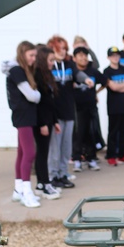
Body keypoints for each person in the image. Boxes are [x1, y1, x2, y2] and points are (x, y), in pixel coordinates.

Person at [5, 41, 42, 208]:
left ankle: (18, 189)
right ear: (22, 54)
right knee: (29, 153)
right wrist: (38, 94)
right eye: (31, 55)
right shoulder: (17, 71)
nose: (34, 59)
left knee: (21, 152)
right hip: (23, 116)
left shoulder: (20, 71)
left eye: (35, 55)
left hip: (26, 116)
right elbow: (31, 96)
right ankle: (26, 191)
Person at [47, 36, 80, 189]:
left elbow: (78, 75)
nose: (63, 52)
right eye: (59, 49)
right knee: (55, 147)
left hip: (69, 111)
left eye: (65, 49)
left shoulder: (69, 64)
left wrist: (86, 80)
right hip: (55, 113)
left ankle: (63, 173)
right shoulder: (49, 67)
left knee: (66, 147)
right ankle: (53, 175)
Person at [33, 45, 63, 199]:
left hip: (49, 120)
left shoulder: (47, 75)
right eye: (50, 60)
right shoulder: (37, 75)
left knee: (43, 152)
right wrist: (43, 123)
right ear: (43, 60)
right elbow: (39, 103)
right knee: (42, 153)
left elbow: (51, 101)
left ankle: (40, 183)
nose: (53, 63)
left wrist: (55, 121)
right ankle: (45, 184)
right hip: (41, 121)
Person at [102, 46, 124, 166]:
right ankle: (111, 155)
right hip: (113, 106)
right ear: (108, 57)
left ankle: (123, 155)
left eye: (117, 55)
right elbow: (113, 87)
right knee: (113, 131)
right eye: (112, 55)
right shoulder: (107, 71)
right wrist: (123, 86)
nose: (115, 57)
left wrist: (118, 87)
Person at [71, 46, 102, 172]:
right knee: (78, 135)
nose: (83, 58)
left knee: (91, 133)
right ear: (74, 58)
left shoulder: (92, 71)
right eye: (80, 55)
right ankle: (77, 160)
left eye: (85, 55)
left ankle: (91, 159)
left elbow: (105, 81)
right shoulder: (71, 72)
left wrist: (96, 93)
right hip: (76, 109)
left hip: (90, 108)